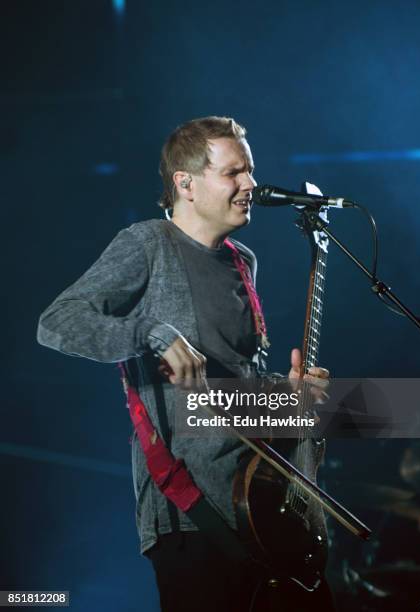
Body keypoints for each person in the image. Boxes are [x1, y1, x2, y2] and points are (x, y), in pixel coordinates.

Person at [37, 116, 334, 611]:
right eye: (234, 173)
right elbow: (56, 322)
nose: (251, 186)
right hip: (192, 517)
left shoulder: (244, 261)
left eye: (251, 171)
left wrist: (290, 393)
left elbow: (238, 385)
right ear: (185, 183)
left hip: (261, 504)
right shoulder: (147, 243)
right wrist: (147, 332)